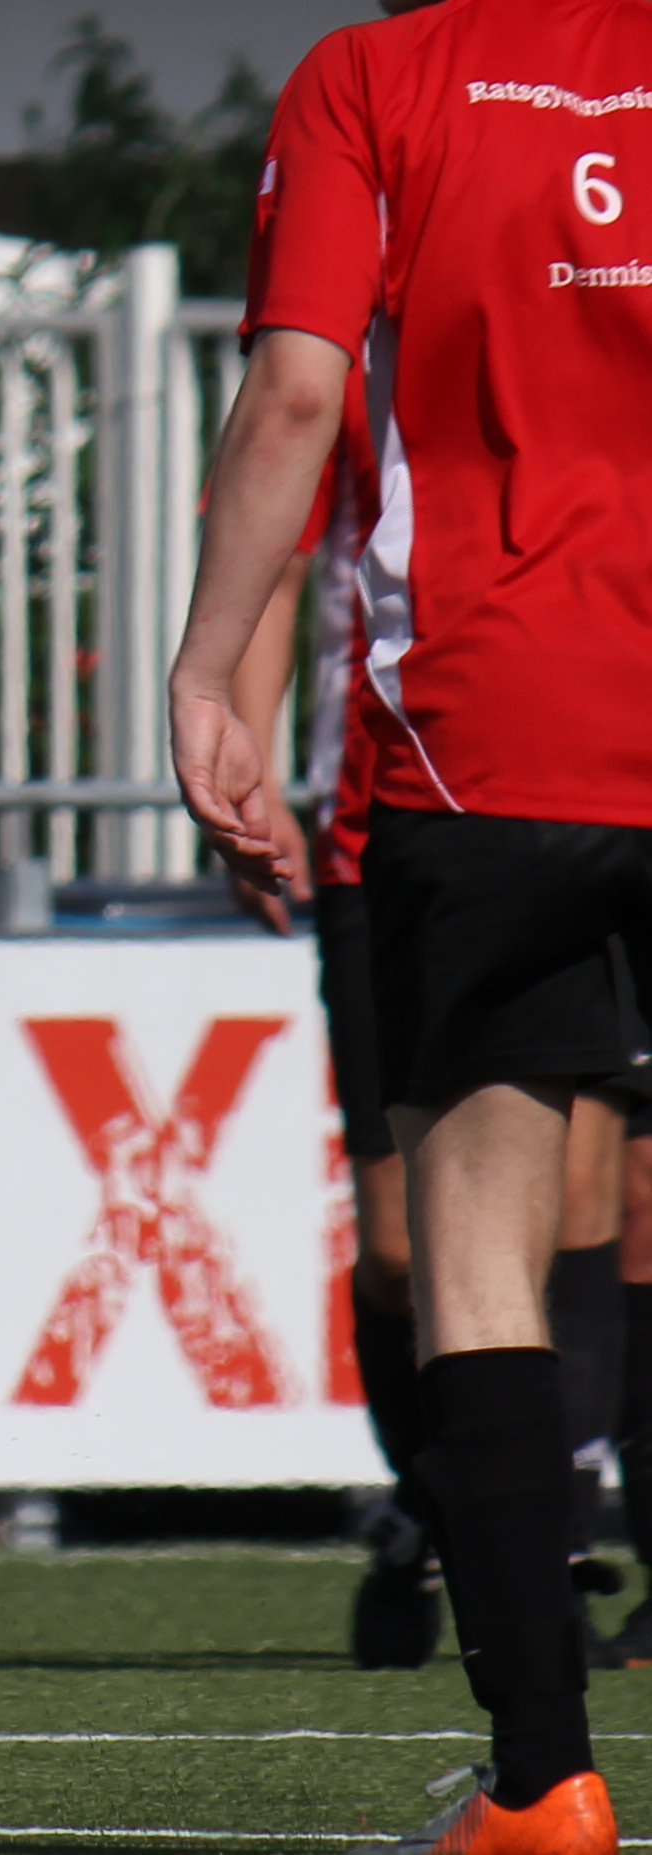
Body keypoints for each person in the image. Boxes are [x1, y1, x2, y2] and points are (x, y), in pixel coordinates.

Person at [173, 0, 637, 1851]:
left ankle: (543, 1782)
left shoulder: (370, 81)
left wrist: (207, 665)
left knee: (468, 1242)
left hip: (488, 741)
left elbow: (291, 399)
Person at [223, 462, 629, 1675]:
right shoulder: (359, 366)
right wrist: (247, 753)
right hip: (393, 824)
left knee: (580, 1197)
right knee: (406, 1243)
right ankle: (430, 1508)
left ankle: (546, 1547)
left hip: (590, 786)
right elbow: (277, 553)